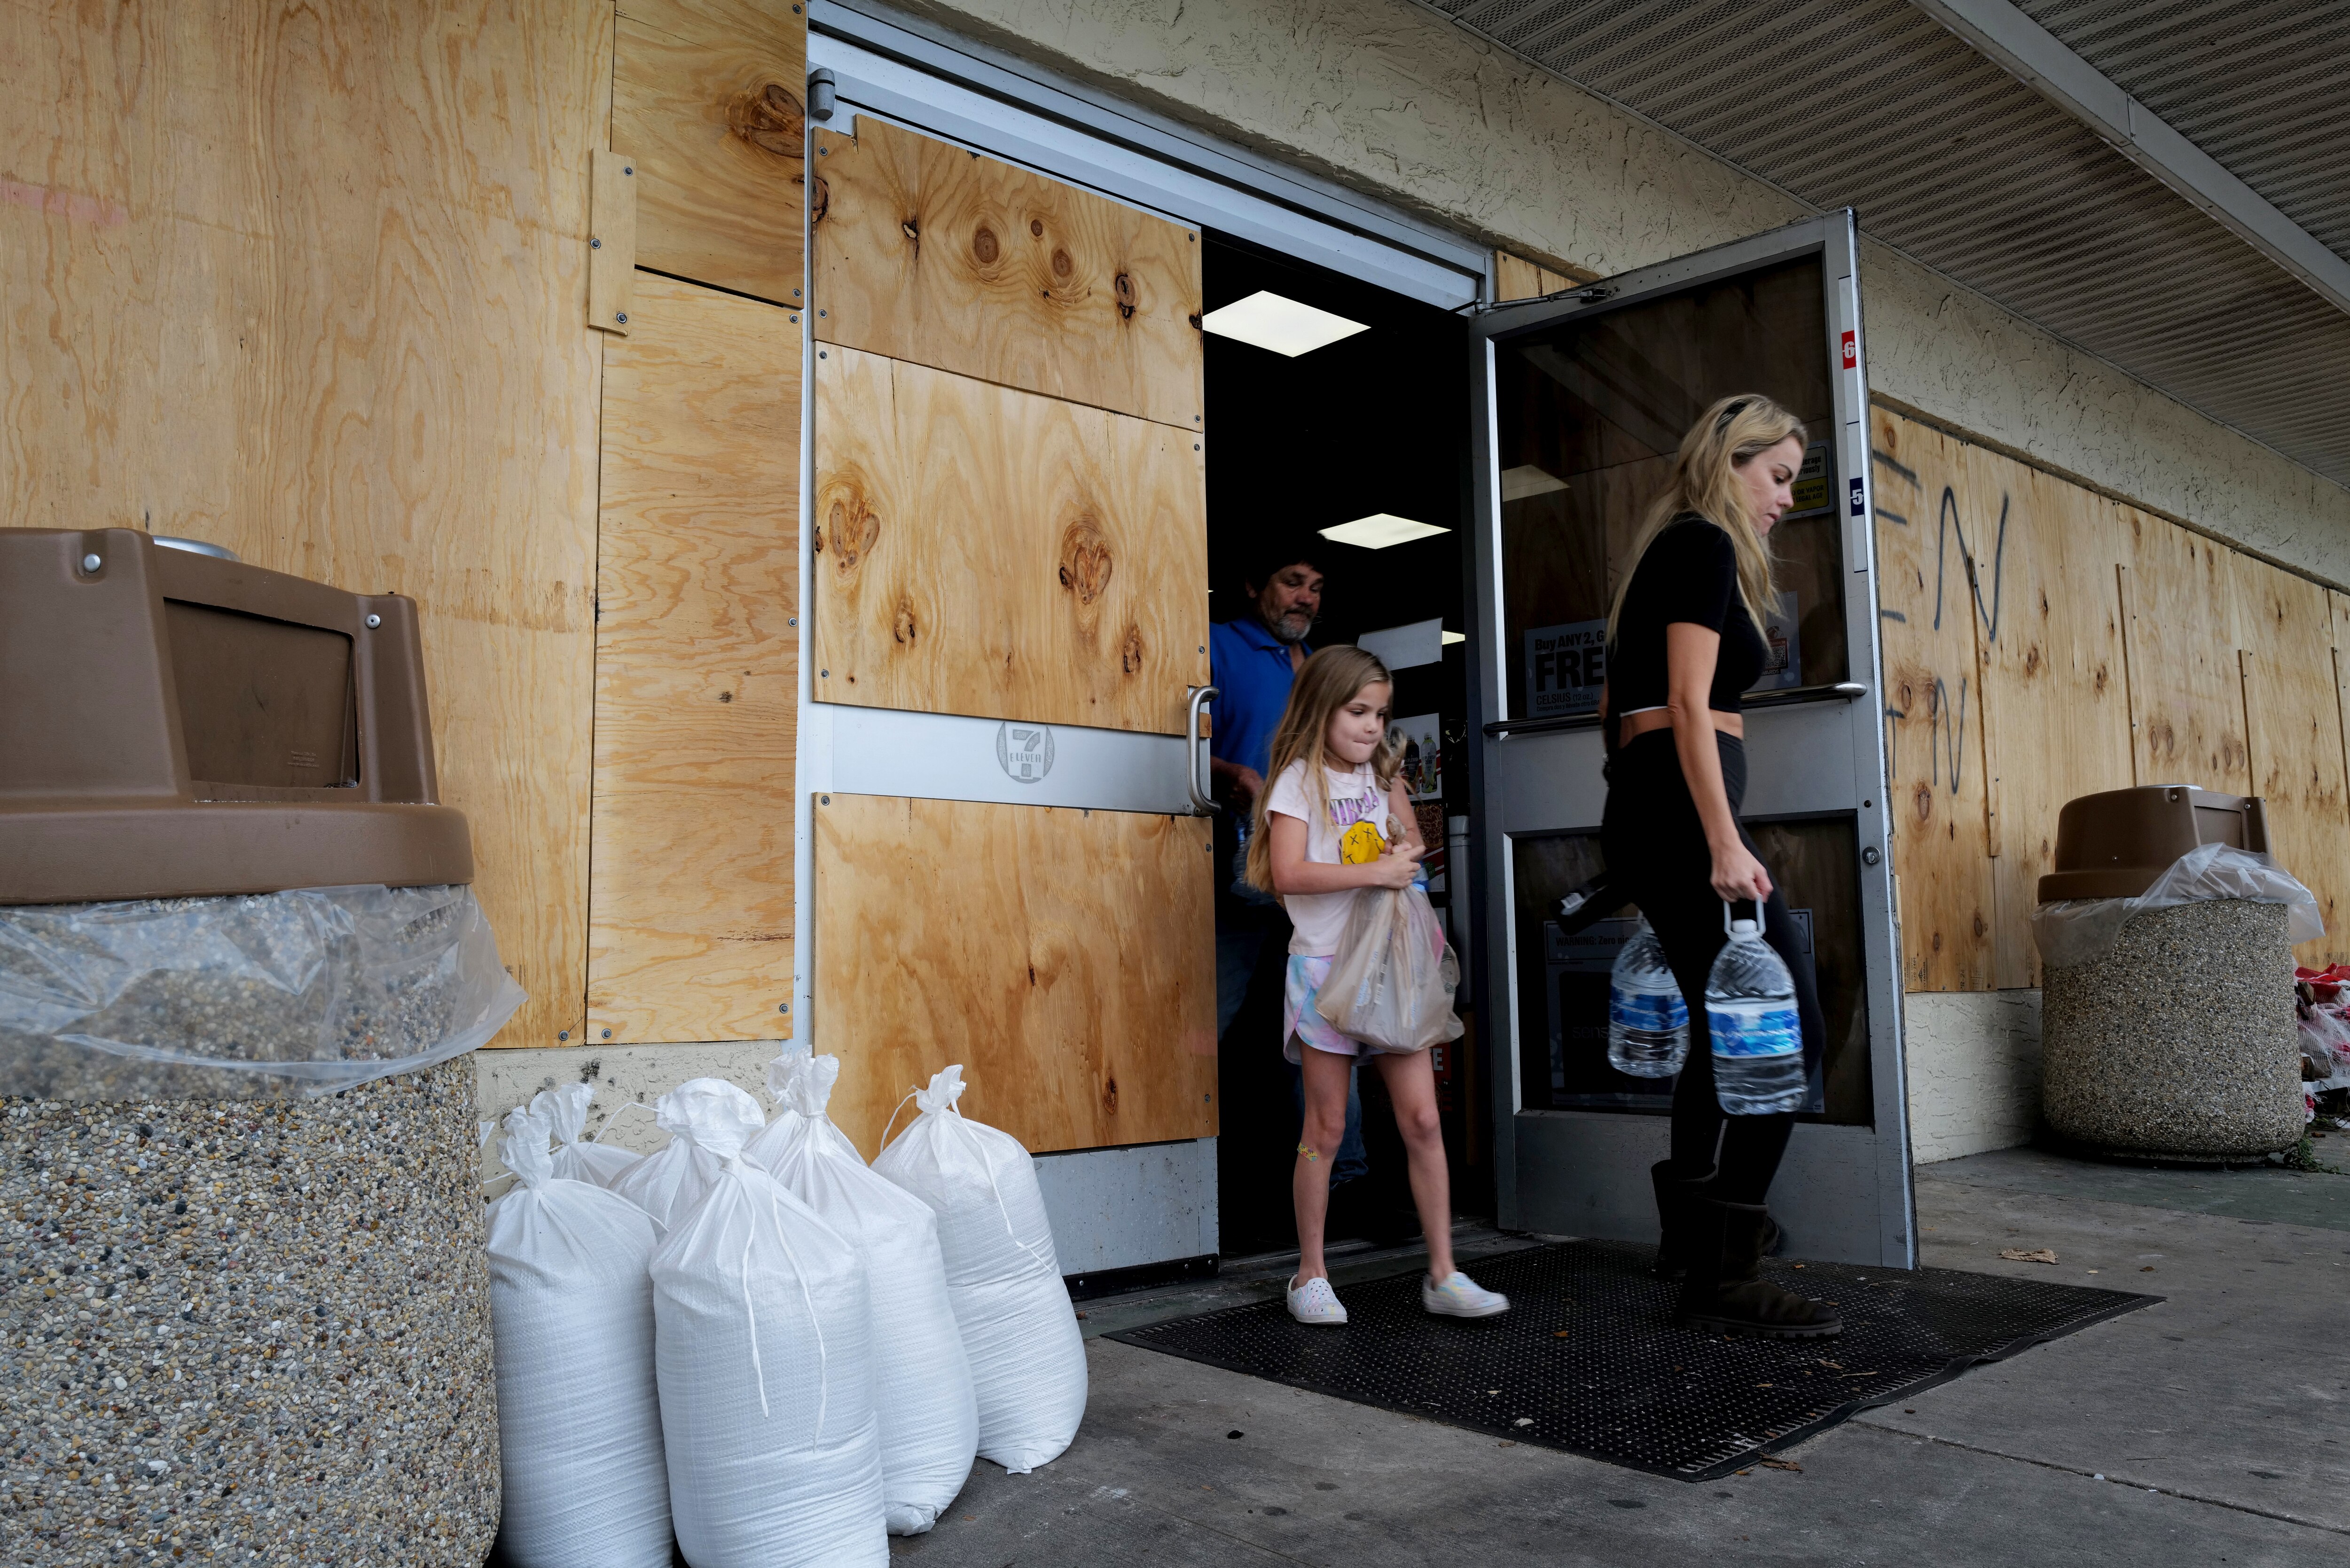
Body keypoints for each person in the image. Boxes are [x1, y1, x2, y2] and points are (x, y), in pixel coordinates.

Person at [1598, 393, 1838, 1339]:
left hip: (1659, 815)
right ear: (1729, 461)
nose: (1784, 497)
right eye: (1776, 476)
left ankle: (1693, 1240)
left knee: (1717, 1025)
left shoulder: (1675, 552)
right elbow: (1689, 708)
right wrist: (1719, 842)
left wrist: (1639, 827)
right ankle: (1726, 1276)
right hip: (1682, 823)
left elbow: (1617, 708)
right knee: (1791, 1035)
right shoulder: (1700, 544)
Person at [1248, 645, 1509, 1326]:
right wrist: (1378, 871)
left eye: (1381, 713)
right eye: (1357, 711)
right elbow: (1288, 874)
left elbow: (1412, 841)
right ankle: (1310, 1272)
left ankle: (1445, 1271)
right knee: (1326, 1126)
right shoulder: (1297, 784)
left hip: (1389, 967)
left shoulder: (1383, 770)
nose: (1371, 726)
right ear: (1320, 708)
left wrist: (1405, 852)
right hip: (1326, 968)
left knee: (1422, 1119)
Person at [1209, 543, 1368, 1191]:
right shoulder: (1218, 644)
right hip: (1243, 876)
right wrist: (1233, 774)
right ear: (1253, 585)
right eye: (1293, 582)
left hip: (1318, 881)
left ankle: (1346, 1178)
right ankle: (1181, 1177)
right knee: (1207, 1020)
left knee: (1324, 1027)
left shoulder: (1323, 667)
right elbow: (1169, 738)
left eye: (1317, 587)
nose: (1307, 597)